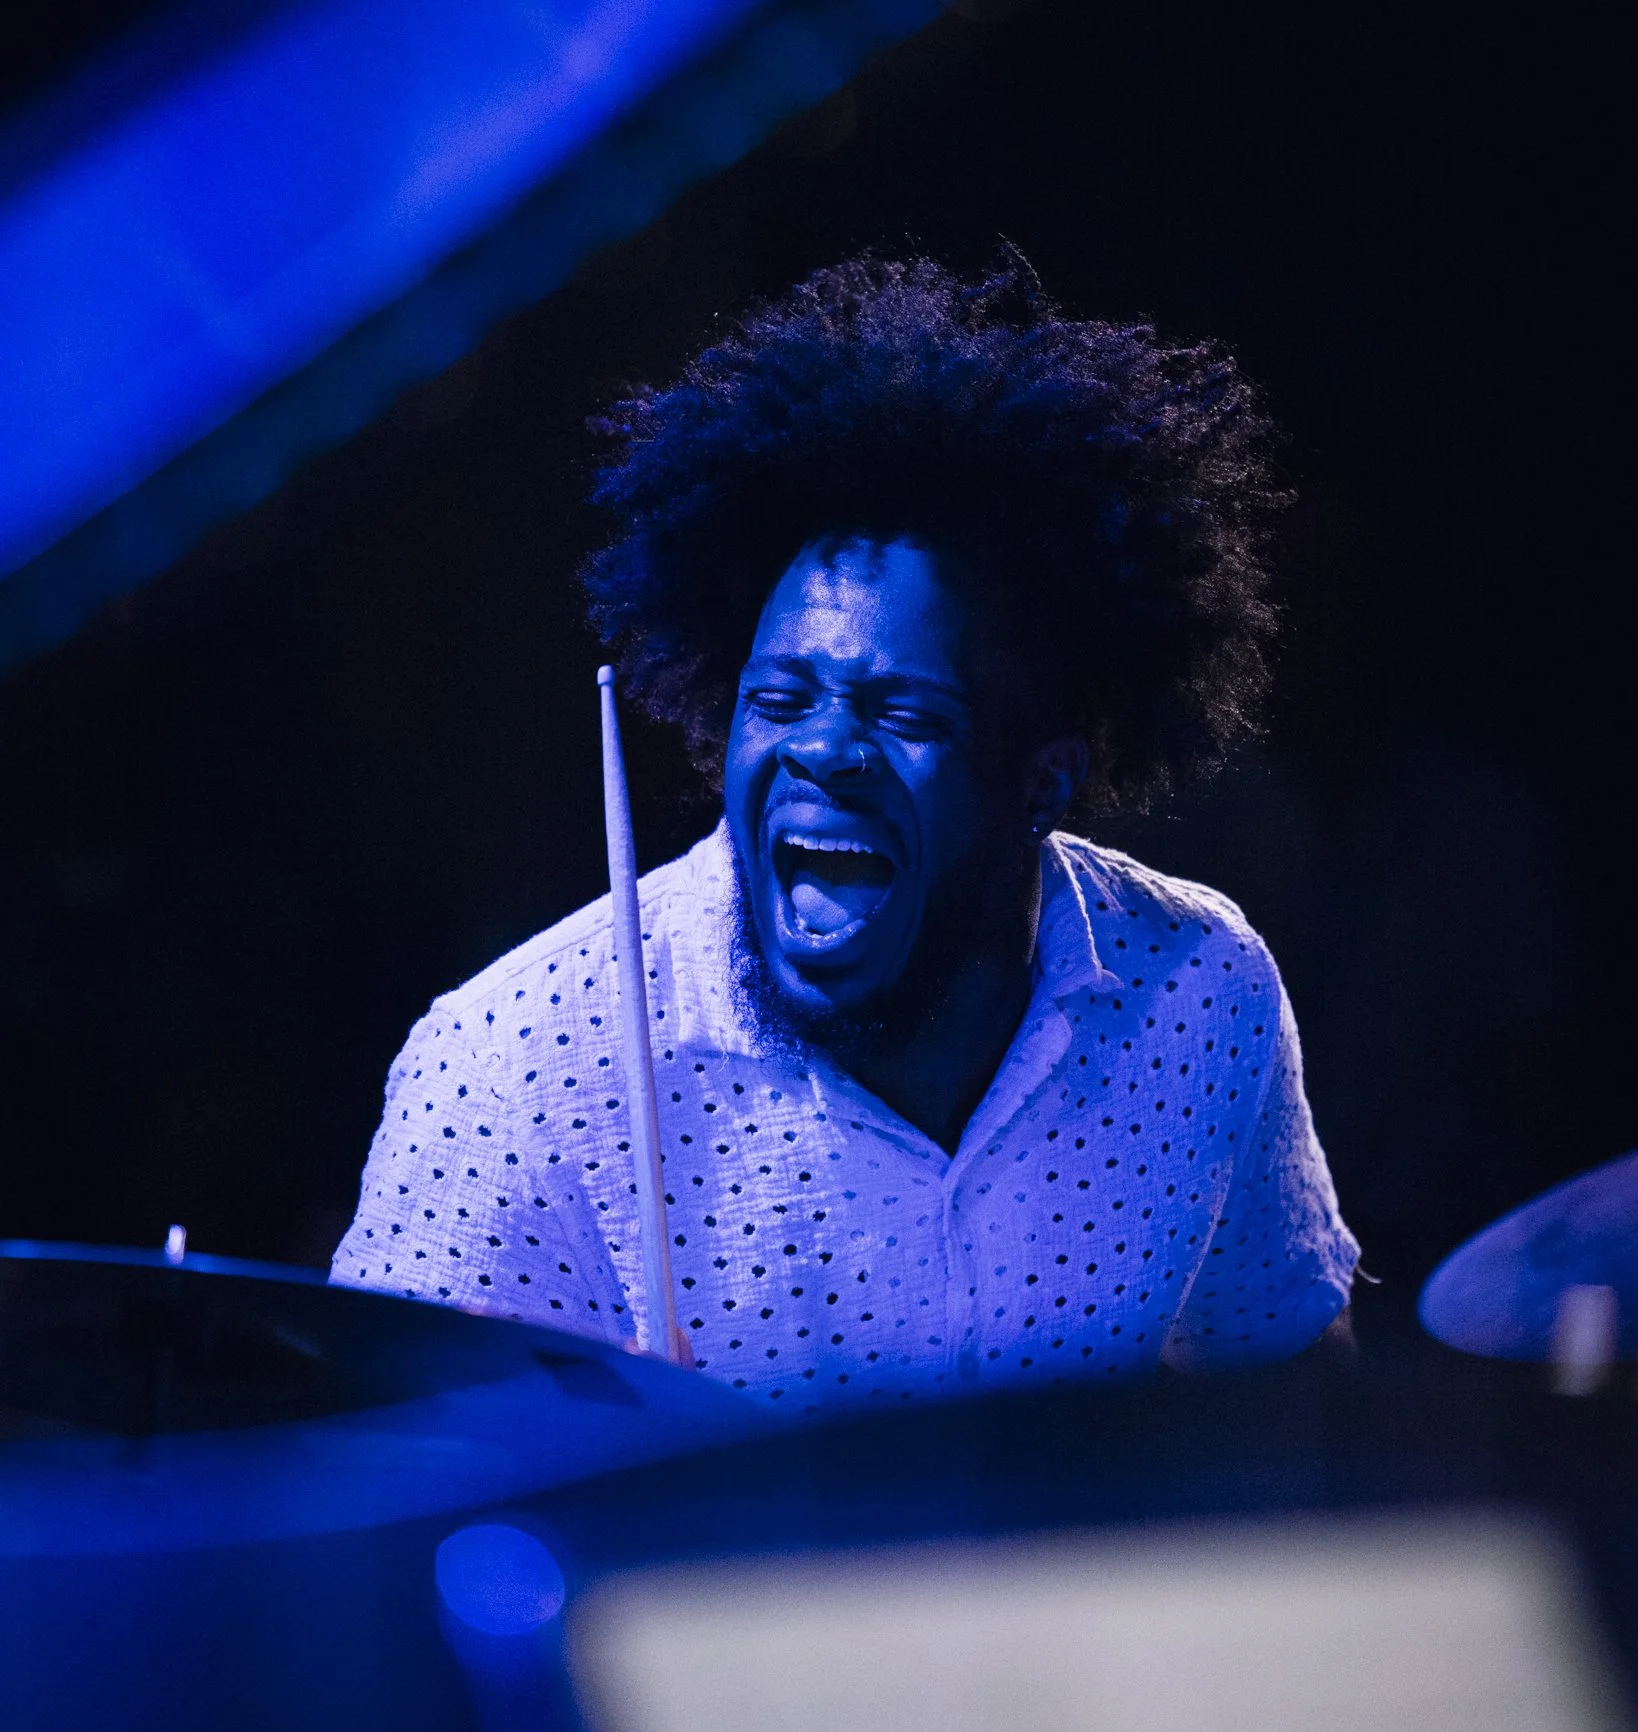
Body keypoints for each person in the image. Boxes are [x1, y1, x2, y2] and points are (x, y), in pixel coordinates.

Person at [332, 255, 1358, 1408]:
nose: (822, 748)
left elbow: (1292, 1396)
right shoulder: (512, 1068)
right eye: (779, 700)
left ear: (1043, 780)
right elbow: (390, 1489)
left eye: (902, 709)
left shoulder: (1201, 992)